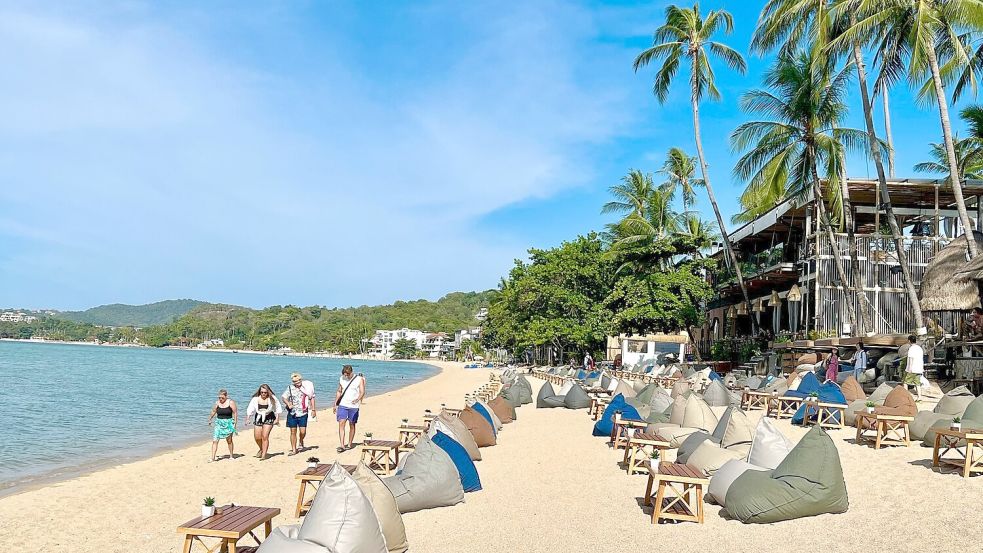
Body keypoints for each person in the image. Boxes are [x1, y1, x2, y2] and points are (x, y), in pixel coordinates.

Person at [333, 364, 365, 453]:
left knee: (352, 424)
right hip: (343, 404)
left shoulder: (359, 379)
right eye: (344, 374)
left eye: (347, 374)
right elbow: (339, 391)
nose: (346, 376)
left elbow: (362, 391)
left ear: (351, 372)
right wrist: (335, 404)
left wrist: (358, 399)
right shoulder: (341, 379)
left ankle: (350, 443)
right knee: (341, 423)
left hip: (353, 406)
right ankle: (342, 445)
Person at [282, 372, 316, 456]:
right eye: (295, 381)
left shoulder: (307, 387)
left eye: (298, 380)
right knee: (293, 432)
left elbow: (312, 398)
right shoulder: (290, 388)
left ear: (301, 379)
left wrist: (313, 409)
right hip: (293, 413)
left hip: (303, 412)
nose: (297, 382)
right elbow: (283, 397)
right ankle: (294, 450)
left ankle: (301, 441)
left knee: (303, 431)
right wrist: (288, 403)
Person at [246, 383, 281, 460]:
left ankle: (264, 455)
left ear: (268, 392)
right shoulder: (255, 399)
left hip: (269, 416)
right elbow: (250, 408)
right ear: (260, 392)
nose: (263, 394)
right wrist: (248, 418)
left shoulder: (272, 398)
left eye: (265, 392)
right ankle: (261, 449)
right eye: (262, 392)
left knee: (265, 436)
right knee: (257, 437)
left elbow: (278, 408)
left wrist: (277, 419)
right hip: (259, 417)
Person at [207, 389, 237, 462]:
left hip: (228, 423)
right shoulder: (217, 403)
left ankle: (231, 456)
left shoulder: (231, 402)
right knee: (215, 440)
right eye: (219, 397)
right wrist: (210, 419)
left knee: (229, 440)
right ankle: (213, 458)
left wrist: (235, 424)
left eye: (222, 398)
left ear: (226, 396)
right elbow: (213, 411)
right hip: (218, 423)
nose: (220, 399)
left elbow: (235, 413)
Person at [903, 335, 925, 400]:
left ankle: (906, 397)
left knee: (905, 383)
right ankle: (919, 397)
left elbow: (911, 359)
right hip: (919, 369)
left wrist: (909, 369)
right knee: (917, 384)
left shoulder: (911, 349)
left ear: (909, 341)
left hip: (912, 369)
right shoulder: (919, 348)